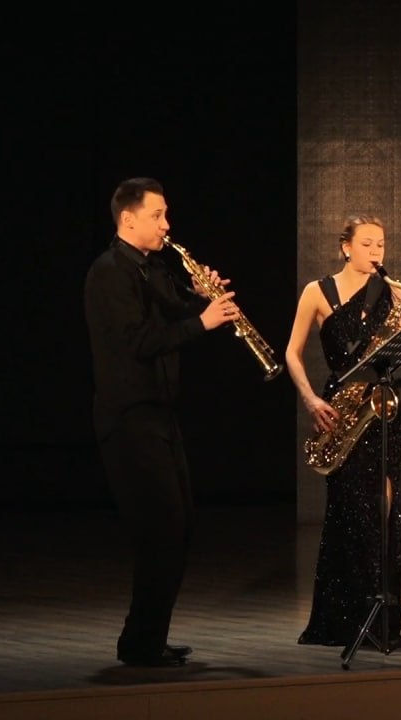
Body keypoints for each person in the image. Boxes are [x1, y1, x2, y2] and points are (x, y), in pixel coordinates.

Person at [83, 177, 239, 667]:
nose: (166, 225)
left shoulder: (154, 268)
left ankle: (147, 638)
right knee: (160, 530)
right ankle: (139, 643)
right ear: (128, 219)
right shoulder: (109, 272)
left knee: (180, 526)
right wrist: (203, 323)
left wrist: (204, 298)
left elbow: (175, 313)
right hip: (129, 418)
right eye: (157, 215)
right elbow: (140, 341)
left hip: (160, 416)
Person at [286, 214, 401, 646]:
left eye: (381, 244)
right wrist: (310, 399)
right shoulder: (316, 292)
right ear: (346, 247)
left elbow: (398, 356)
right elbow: (292, 353)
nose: (376, 252)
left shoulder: (393, 292)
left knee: (384, 513)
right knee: (349, 514)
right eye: (368, 244)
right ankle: (344, 620)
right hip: (341, 409)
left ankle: (382, 621)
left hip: (384, 408)